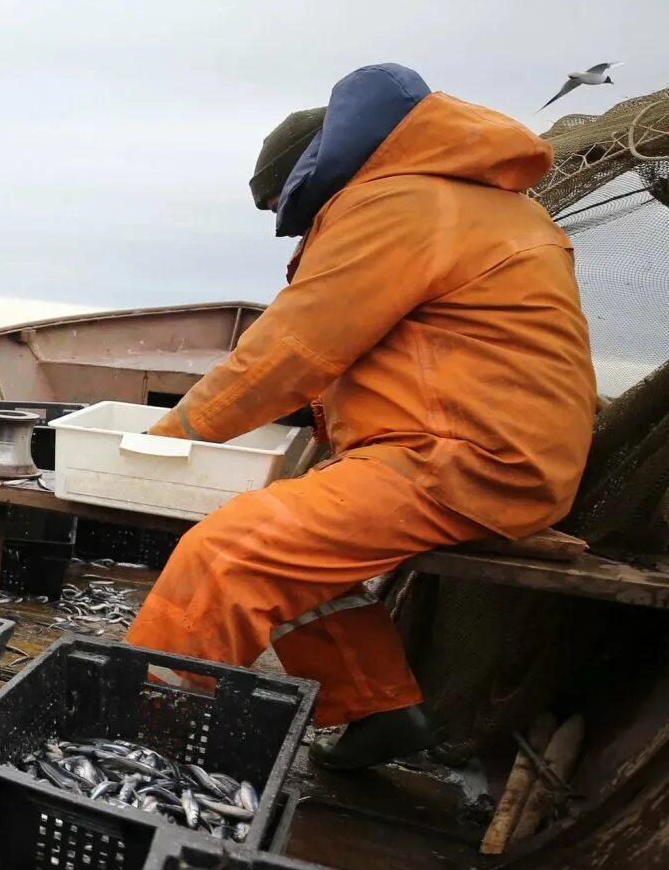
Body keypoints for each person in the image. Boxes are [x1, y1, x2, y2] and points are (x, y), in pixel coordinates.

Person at [124, 64, 596, 769]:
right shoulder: (462, 197)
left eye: (284, 202)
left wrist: (156, 444)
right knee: (298, 551)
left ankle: (132, 747)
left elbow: (292, 350)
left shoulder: (398, 204)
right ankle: (381, 712)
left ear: (316, 168)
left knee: (226, 553)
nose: (289, 217)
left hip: (461, 459)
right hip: (488, 451)